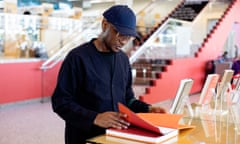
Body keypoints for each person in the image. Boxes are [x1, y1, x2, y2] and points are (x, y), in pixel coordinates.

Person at [51, 5, 166, 144]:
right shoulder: (77, 58)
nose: (123, 41)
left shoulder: (123, 59)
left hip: (116, 138)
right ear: (105, 25)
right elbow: (61, 102)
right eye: (119, 34)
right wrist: (95, 117)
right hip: (84, 138)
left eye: (128, 37)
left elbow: (127, 99)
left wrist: (147, 109)